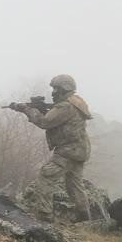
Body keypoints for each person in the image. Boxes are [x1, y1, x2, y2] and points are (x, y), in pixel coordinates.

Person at [15, 74, 92, 222]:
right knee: (74, 184)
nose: (53, 92)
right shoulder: (76, 102)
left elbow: (45, 122)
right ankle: (84, 219)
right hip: (79, 150)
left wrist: (27, 109)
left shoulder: (65, 106)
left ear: (64, 89)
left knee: (46, 176)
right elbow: (58, 119)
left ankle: (45, 217)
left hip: (68, 151)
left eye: (56, 88)